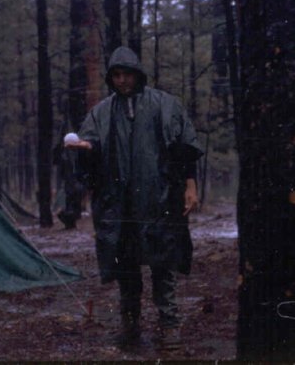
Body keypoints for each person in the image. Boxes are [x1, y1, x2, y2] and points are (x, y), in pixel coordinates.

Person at [65, 46, 203, 349]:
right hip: (120, 204)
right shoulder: (101, 113)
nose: (122, 80)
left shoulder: (164, 105)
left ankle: (170, 324)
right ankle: (130, 324)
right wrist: (87, 151)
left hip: (159, 199)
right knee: (125, 265)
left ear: (137, 74)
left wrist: (190, 187)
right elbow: (90, 153)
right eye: (116, 75)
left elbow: (184, 149)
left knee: (162, 264)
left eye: (126, 74)